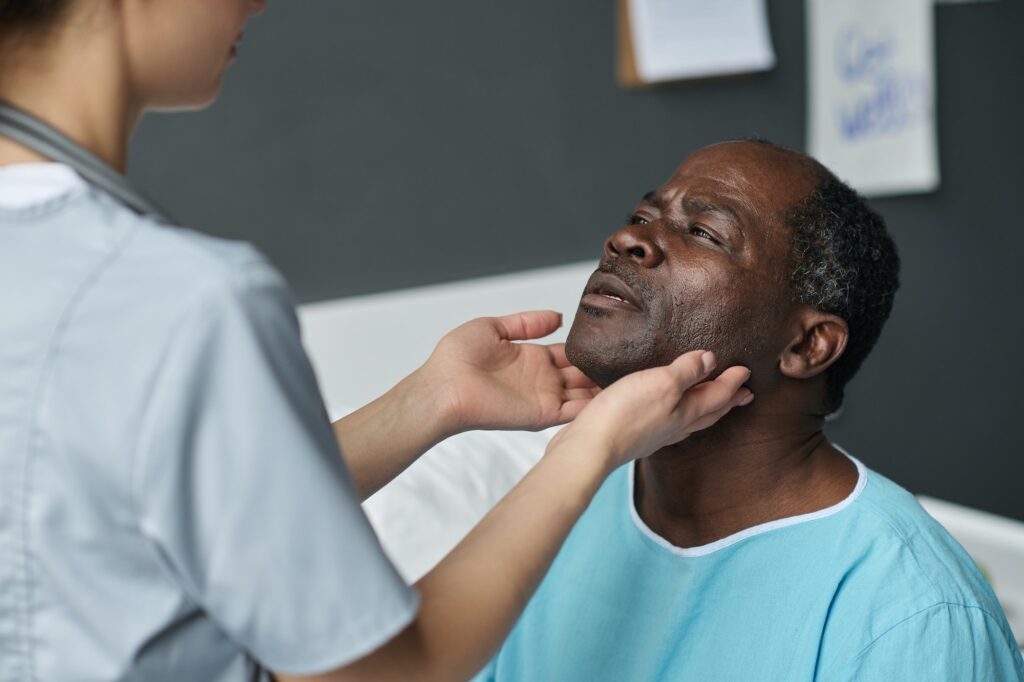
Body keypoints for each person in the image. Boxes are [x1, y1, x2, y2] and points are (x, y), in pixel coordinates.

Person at [0, 2, 756, 681]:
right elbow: (382, 672)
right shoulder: (186, 300)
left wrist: (432, 401)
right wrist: (590, 449)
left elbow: (152, 506)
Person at [475, 140, 1024, 681]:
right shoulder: (560, 501)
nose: (627, 239)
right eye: (643, 215)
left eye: (704, 233)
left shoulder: (913, 615)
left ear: (806, 345)